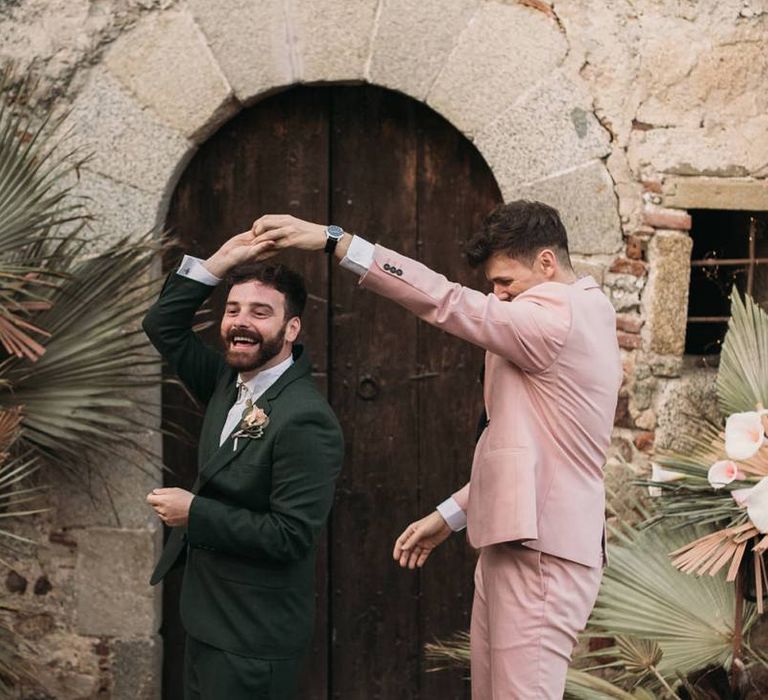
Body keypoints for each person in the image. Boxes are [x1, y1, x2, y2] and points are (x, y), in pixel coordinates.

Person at [249, 201, 622, 699]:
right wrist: (449, 516)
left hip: (542, 553)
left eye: (506, 282)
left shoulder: (559, 313)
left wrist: (335, 240)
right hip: (521, 542)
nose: (499, 296)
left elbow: (447, 301)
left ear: (548, 264)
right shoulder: (577, 315)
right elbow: (531, 451)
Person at [142, 233, 344, 700]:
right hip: (209, 622)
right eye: (233, 310)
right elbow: (162, 326)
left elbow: (290, 535)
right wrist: (216, 263)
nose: (241, 323)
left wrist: (196, 514)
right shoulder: (225, 382)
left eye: (260, 312)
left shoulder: (306, 417)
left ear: (292, 329)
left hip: (253, 637)